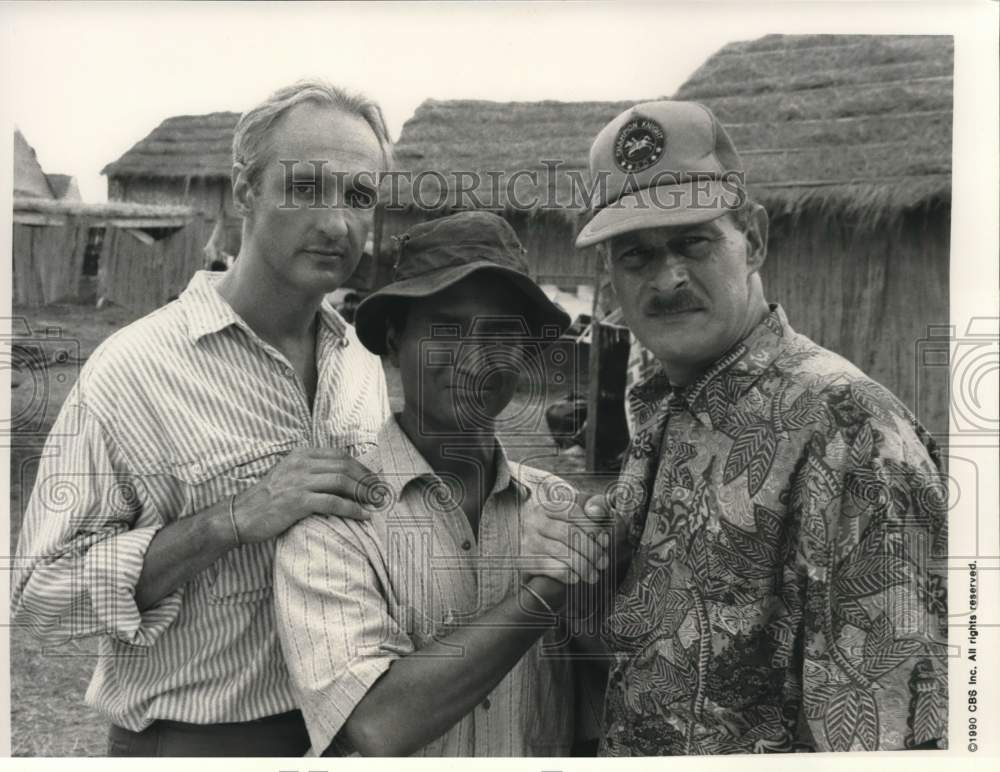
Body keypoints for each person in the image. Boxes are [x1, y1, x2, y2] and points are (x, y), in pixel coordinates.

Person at [11, 79, 393, 756]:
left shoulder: (359, 365)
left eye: (359, 197)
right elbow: (38, 602)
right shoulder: (132, 373)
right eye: (306, 188)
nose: (337, 223)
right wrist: (230, 522)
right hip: (193, 741)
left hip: (345, 734)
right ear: (243, 190)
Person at [573, 101, 948, 754]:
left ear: (755, 238)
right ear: (612, 276)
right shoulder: (670, 412)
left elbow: (884, 737)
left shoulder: (852, 432)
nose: (667, 278)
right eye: (636, 256)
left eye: (694, 241)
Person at [273, 211, 612, 756]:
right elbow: (378, 724)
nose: (475, 359)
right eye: (446, 328)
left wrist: (599, 579)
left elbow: (604, 705)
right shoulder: (334, 522)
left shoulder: (560, 509)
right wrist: (548, 590)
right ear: (393, 338)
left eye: (501, 333)